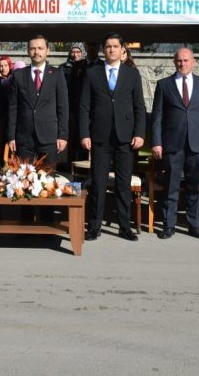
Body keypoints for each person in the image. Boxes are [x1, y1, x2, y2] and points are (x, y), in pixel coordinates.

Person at [79, 32, 146, 242]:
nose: (111, 49)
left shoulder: (132, 74)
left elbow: (139, 107)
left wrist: (139, 133)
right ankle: (94, 226)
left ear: (122, 49)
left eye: (115, 46)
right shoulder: (92, 73)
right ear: (103, 49)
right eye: (107, 46)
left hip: (125, 138)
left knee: (123, 184)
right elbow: (83, 107)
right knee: (98, 183)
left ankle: (124, 227)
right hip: (99, 137)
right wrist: (84, 134)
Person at [151, 47, 199, 239]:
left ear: (193, 62)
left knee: (194, 186)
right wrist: (156, 142)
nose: (183, 64)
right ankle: (168, 225)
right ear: (174, 62)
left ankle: (194, 225)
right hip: (172, 143)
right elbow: (157, 117)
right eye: (179, 60)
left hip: (197, 143)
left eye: (186, 60)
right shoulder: (164, 85)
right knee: (170, 186)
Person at [7, 33, 69, 166]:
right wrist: (11, 136)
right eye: (33, 48)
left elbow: (63, 107)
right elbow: (13, 108)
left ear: (48, 50)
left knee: (48, 182)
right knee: (23, 181)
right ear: (28, 51)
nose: (37, 52)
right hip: (24, 138)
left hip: (49, 137)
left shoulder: (57, 74)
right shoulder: (18, 75)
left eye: (40, 48)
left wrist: (62, 136)